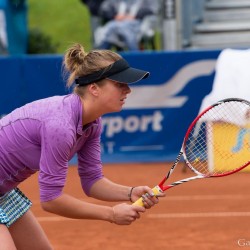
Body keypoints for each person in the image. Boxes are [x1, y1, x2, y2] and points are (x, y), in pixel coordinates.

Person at [0, 43, 163, 249]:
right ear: (94, 88)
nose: (128, 89)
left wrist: (130, 193)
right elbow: (51, 200)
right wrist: (111, 214)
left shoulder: (92, 122)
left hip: (5, 192)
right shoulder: (60, 126)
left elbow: (92, 181)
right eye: (120, 83)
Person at [95, 0, 159, 51]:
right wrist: (115, 16)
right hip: (116, 22)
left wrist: (135, 16)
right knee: (113, 27)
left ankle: (101, 56)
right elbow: (105, 8)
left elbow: (152, 9)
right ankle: (135, 54)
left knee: (116, 29)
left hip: (137, 24)